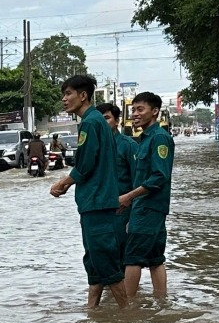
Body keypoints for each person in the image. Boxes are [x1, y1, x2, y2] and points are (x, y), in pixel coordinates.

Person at [49, 75, 129, 309]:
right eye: (63, 94)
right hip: (94, 201)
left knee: (105, 262)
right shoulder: (96, 122)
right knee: (94, 262)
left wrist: (63, 182)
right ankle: (92, 313)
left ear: (83, 96)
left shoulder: (90, 122)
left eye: (68, 94)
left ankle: (128, 318)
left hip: (97, 202)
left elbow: (85, 164)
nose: (64, 99)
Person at [119, 92, 174, 299]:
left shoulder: (159, 138)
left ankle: (126, 309)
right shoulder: (144, 139)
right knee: (154, 259)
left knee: (132, 257)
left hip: (148, 207)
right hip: (149, 208)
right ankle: (162, 302)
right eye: (133, 110)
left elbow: (159, 177)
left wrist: (129, 197)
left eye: (140, 109)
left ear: (155, 111)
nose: (135, 114)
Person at [99, 102, 138, 265]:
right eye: (100, 119)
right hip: (99, 210)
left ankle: (126, 291)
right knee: (102, 258)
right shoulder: (93, 146)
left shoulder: (128, 146)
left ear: (117, 121)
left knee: (123, 257)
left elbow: (138, 180)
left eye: (107, 118)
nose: (103, 122)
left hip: (122, 210)